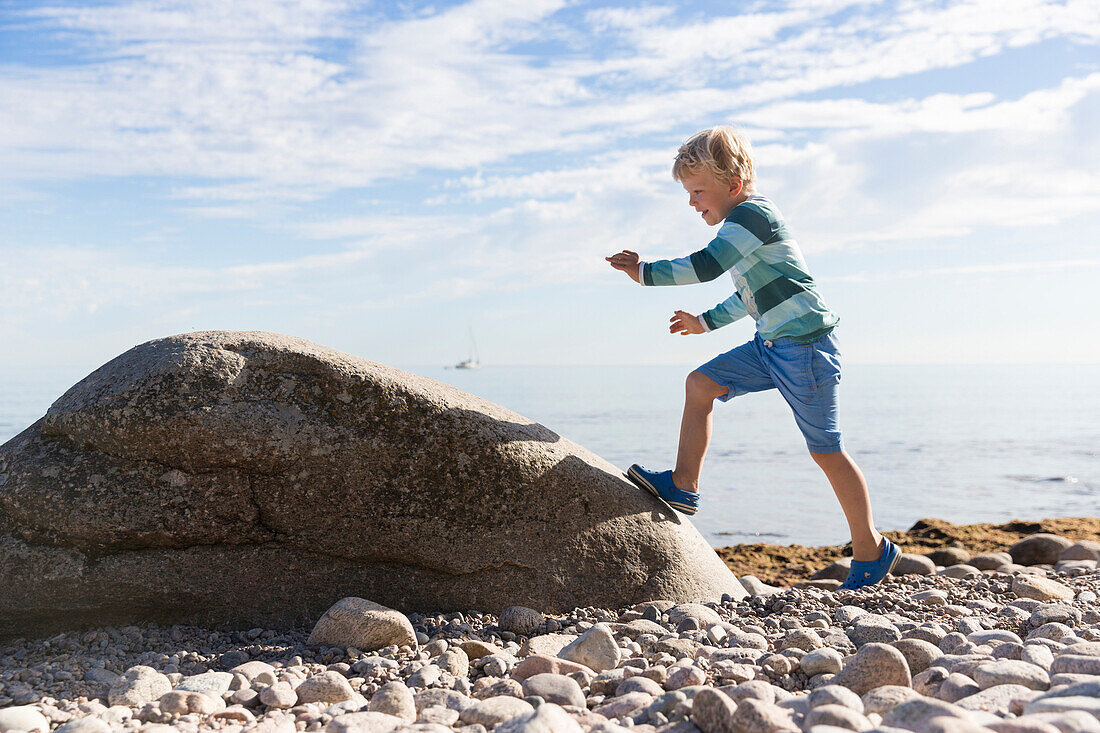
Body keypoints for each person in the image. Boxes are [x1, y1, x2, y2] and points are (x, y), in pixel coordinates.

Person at [606, 126, 898, 590]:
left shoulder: (754, 217)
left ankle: (871, 549)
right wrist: (704, 323)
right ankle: (684, 485)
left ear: (733, 186)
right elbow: (749, 295)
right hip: (771, 346)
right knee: (700, 384)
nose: (692, 202)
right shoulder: (740, 228)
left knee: (826, 450)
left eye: (698, 191)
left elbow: (706, 266)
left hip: (806, 349)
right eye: (688, 192)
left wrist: (644, 272)